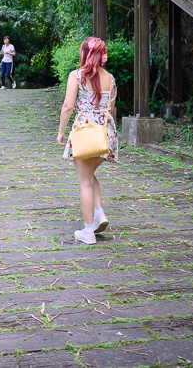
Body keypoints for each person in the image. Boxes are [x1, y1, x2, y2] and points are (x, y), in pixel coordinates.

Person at [56, 37, 118, 245]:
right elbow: (111, 108)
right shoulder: (110, 77)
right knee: (90, 174)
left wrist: (61, 132)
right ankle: (99, 213)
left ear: (84, 53)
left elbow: (67, 106)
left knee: (84, 181)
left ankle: (88, 230)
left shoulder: (77, 76)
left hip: (84, 131)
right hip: (105, 134)